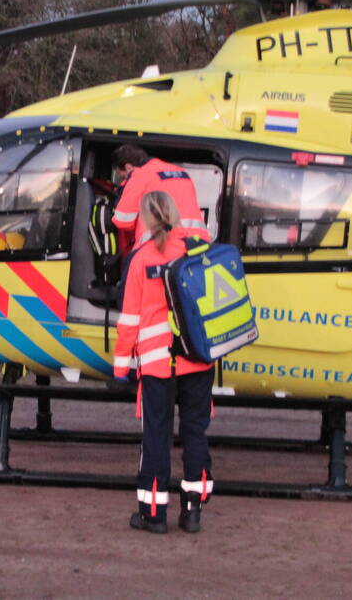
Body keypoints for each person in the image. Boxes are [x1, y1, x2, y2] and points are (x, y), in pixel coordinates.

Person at [113, 190, 215, 534]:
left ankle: (153, 515)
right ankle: (193, 511)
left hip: (157, 365)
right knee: (195, 432)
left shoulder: (140, 259)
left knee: (156, 436)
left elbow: (129, 321)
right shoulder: (197, 249)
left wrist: (120, 366)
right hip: (198, 360)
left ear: (145, 218)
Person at [111, 144, 209, 254]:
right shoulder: (182, 172)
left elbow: (123, 221)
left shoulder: (140, 175)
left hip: (160, 246)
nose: (125, 180)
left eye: (123, 176)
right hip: (198, 244)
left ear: (128, 167)